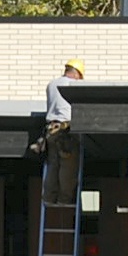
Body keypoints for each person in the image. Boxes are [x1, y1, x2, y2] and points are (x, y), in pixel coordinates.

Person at [38, 59, 85, 203]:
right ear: (76, 74)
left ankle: (48, 198)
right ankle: (65, 199)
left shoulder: (51, 84)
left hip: (51, 130)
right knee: (68, 167)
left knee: (53, 165)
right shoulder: (73, 84)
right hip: (66, 130)